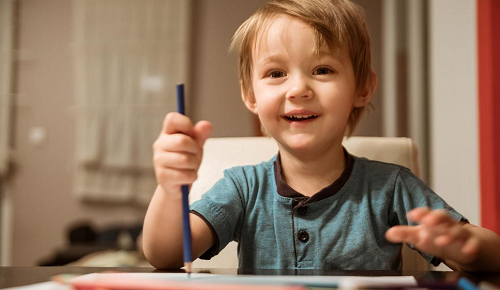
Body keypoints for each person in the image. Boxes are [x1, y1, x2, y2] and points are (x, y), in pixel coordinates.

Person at [143, 0, 500, 271]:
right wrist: (170, 189)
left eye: (322, 69)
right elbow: (168, 255)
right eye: (276, 73)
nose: (298, 88)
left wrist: (464, 244)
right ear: (250, 96)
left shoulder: (391, 186)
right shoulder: (242, 187)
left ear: (362, 88)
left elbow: (490, 254)